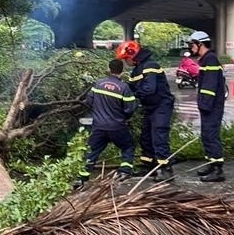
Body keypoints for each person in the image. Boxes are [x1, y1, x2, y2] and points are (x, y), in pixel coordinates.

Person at [115, 40, 175, 182]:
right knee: (146, 137)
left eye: (125, 59)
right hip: (151, 107)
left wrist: (132, 96)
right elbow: (131, 86)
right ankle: (149, 166)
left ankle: (166, 170)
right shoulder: (137, 70)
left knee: (159, 136)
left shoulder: (150, 66)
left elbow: (149, 88)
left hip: (161, 106)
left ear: (132, 54)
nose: (126, 62)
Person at [73, 59, 137, 188]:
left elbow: (89, 99)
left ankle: (81, 178)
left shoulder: (98, 83)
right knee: (128, 146)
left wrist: (98, 110)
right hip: (117, 126)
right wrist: (124, 117)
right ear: (122, 71)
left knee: (91, 151)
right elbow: (130, 107)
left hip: (99, 126)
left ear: (109, 69)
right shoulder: (124, 87)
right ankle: (124, 171)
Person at [187, 31, 226, 182]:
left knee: (211, 136)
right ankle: (211, 163)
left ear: (200, 44)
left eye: (192, 45)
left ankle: (217, 170)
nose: (191, 48)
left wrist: (204, 105)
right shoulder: (206, 59)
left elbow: (209, 87)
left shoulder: (210, 60)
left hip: (211, 107)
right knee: (206, 135)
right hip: (208, 106)